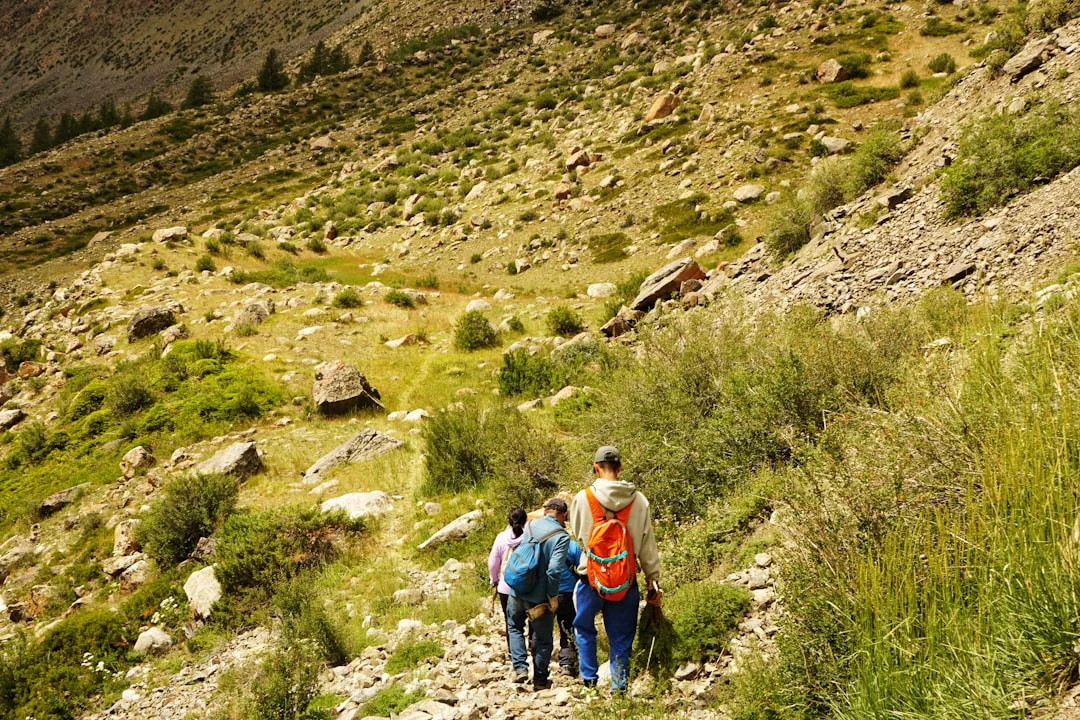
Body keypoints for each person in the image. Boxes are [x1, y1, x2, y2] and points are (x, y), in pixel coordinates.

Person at [569, 446, 662, 694]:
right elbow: (647, 544)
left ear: (595, 467)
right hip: (626, 579)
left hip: (590, 577)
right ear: (620, 468)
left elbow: (579, 536)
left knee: (584, 627)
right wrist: (653, 577)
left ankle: (588, 682)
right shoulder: (639, 500)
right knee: (621, 637)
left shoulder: (582, 498)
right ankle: (619, 688)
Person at [506, 497, 570, 690]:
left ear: (546, 511)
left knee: (515, 626)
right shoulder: (562, 537)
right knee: (543, 639)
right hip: (539, 598)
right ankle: (540, 681)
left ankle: (520, 669)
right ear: (562, 515)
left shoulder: (531, 525)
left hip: (517, 588)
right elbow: (554, 570)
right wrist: (552, 596)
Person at [488, 507, 528, 658]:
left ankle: (515, 652)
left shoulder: (501, 538)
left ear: (509, 521)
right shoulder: (530, 538)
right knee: (532, 618)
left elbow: (493, 562)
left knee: (511, 621)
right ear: (526, 521)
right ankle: (534, 647)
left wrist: (495, 580)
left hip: (505, 586)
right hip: (528, 586)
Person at [556, 538, 582, 677]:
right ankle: (567, 663)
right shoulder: (572, 545)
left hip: (545, 593)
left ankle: (539, 670)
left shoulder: (541, 543)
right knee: (567, 628)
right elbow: (583, 567)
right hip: (567, 593)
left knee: (541, 630)